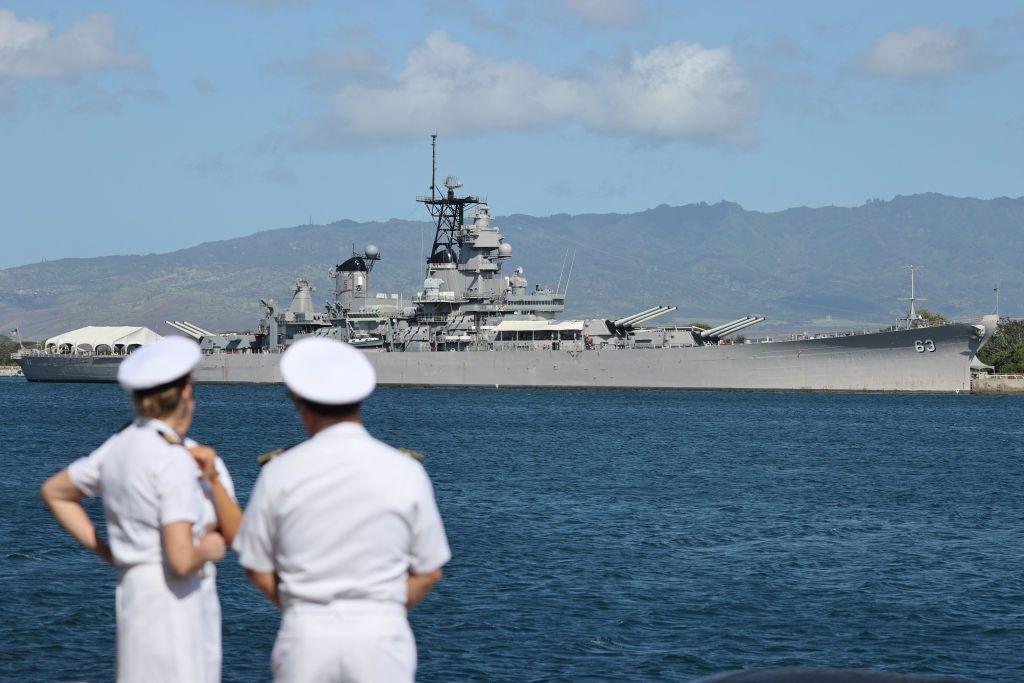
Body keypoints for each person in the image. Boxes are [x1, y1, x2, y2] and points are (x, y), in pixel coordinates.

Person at [233, 337, 451, 683]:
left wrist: (302, 610)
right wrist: (384, 610)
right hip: (381, 639)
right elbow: (431, 570)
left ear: (300, 401)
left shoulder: (280, 471)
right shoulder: (405, 470)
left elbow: (256, 566)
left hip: (306, 637)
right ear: (361, 399)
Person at [40, 337, 226, 683]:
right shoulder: (174, 457)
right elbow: (182, 558)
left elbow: (55, 492)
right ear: (185, 394)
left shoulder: (119, 444)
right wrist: (211, 548)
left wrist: (108, 552)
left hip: (135, 591)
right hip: (175, 599)